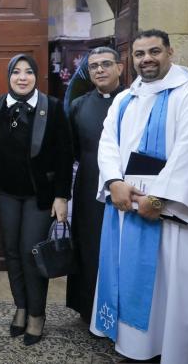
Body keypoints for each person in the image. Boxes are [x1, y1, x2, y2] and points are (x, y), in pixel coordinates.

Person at [91, 29, 188, 364]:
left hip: (172, 217)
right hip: (126, 208)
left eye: (154, 51)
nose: (146, 59)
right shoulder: (125, 98)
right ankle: (133, 348)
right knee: (130, 278)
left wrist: (157, 199)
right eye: (140, 54)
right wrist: (114, 181)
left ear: (170, 52)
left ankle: (171, 351)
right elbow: (108, 144)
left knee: (169, 291)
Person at [0, 54, 73, 345]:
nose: (22, 77)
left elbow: (66, 155)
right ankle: (21, 307)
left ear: (36, 76)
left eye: (28, 72)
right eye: (17, 72)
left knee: (31, 252)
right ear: (9, 76)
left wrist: (62, 196)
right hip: (6, 193)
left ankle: (37, 314)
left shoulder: (51, 107)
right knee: (12, 252)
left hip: (41, 196)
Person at [66, 47, 124, 322]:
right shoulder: (78, 105)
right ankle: (88, 308)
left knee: (118, 249)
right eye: (94, 67)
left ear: (120, 68)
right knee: (88, 245)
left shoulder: (130, 101)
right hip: (89, 184)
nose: (99, 70)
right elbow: (74, 149)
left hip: (125, 186)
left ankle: (119, 313)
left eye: (105, 64)